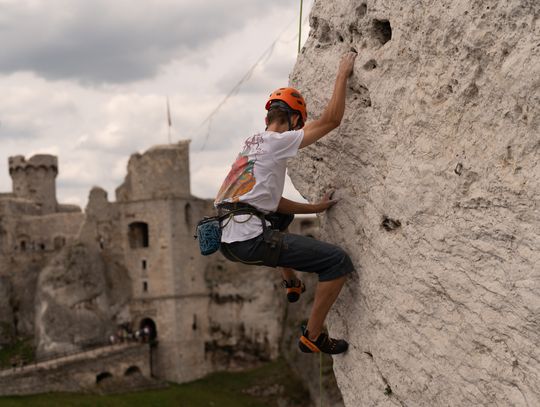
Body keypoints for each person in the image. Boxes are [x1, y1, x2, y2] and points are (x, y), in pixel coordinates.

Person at [214, 52, 357, 355]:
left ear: (267, 118)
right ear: (293, 120)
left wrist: (316, 208)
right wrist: (342, 72)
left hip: (229, 239)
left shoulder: (251, 145)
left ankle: (291, 282)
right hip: (251, 240)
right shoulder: (279, 141)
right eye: (298, 124)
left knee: (279, 219)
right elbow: (332, 120)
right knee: (337, 262)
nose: (298, 130)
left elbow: (273, 202)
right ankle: (313, 337)